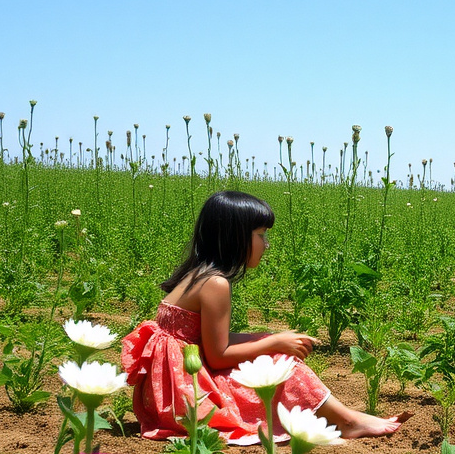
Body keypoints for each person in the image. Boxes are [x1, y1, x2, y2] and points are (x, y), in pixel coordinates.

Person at [121, 190, 406, 445]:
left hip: (165, 393)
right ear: (235, 237)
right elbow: (218, 355)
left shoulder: (196, 275)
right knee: (282, 365)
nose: (266, 244)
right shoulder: (215, 284)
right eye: (260, 235)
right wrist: (274, 345)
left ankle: (346, 418)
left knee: (272, 353)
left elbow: (204, 342)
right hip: (186, 396)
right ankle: (347, 421)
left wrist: (268, 338)